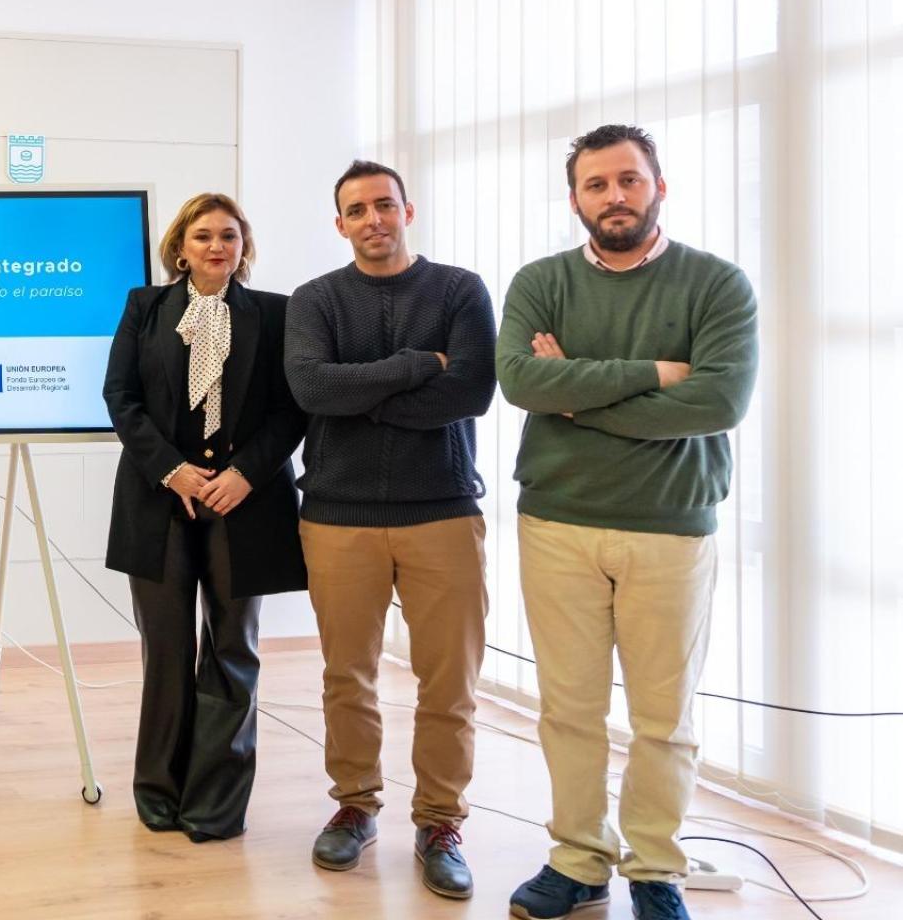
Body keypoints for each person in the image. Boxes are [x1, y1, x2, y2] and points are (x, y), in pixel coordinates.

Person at [498, 125, 758, 920]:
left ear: (658, 187)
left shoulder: (717, 285)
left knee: (663, 718)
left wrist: (575, 394)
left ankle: (656, 871)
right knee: (568, 710)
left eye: (629, 180)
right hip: (558, 523)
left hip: (671, 527)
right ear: (575, 199)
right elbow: (520, 381)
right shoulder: (541, 282)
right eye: (596, 184)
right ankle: (578, 861)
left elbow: (719, 401)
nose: (614, 196)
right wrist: (654, 374)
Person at [283, 160, 496, 898]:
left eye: (384, 205)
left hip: (443, 511)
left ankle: (440, 822)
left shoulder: (460, 290)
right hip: (338, 517)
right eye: (357, 209)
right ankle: (354, 806)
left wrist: (360, 395)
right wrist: (415, 365)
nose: (372, 219)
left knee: (450, 682)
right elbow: (311, 386)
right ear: (339, 223)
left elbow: (470, 390)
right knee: (348, 675)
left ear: (409, 210)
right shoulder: (315, 299)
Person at [102, 192, 307, 842]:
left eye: (229, 235)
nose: (217, 246)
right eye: (203, 236)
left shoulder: (275, 313)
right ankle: (159, 789)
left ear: (243, 246)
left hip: (244, 503)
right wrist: (173, 469)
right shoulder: (145, 307)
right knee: (166, 650)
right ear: (180, 248)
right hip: (158, 499)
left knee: (231, 650)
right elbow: (121, 396)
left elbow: (292, 409)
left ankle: (214, 803)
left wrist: (245, 474)